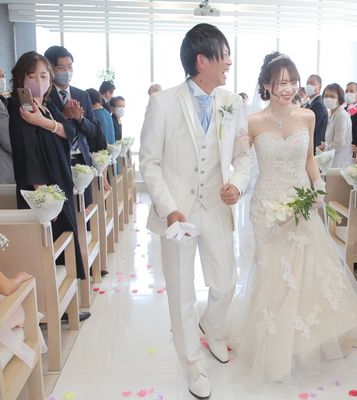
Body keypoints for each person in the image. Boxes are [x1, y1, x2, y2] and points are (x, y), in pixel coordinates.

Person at [232, 51, 357, 388]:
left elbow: (309, 159)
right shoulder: (252, 122)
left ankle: (304, 342)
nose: (289, 88)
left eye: (293, 82)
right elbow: (242, 162)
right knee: (272, 274)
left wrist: (319, 187)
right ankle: (275, 350)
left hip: (301, 204)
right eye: (281, 83)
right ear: (266, 85)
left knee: (303, 272)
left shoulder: (307, 116)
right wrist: (234, 181)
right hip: (266, 205)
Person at [138, 23, 253, 399]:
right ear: (202, 60)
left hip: (216, 207)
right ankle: (193, 364)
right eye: (225, 55)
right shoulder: (163, 102)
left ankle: (212, 329)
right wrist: (169, 208)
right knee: (181, 293)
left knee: (225, 282)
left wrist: (237, 184)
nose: (229, 62)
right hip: (178, 216)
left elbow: (243, 156)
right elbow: (149, 162)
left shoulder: (232, 103)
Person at [7, 51, 90, 322]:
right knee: (48, 247)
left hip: (59, 182)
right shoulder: (19, 110)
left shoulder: (47, 106)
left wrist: (43, 122)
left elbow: (70, 132)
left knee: (65, 241)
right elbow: (26, 154)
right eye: (32, 76)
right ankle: (54, 308)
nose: (39, 81)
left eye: (44, 76)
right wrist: (43, 196)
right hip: (42, 191)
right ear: (21, 79)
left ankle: (65, 305)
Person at [316, 83, 352, 167]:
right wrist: (324, 145)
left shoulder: (341, 115)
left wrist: (325, 148)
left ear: (339, 99)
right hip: (332, 159)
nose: (328, 98)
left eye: (332, 96)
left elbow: (339, 142)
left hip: (340, 162)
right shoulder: (331, 114)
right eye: (326, 96)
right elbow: (331, 139)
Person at [304, 74, 328, 152]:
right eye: (307, 84)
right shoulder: (309, 104)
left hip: (315, 146)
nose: (309, 86)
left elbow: (311, 127)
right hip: (309, 144)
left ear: (320, 87)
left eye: (312, 84)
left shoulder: (318, 105)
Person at [345, 81, 357, 154]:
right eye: (346, 91)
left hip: (356, 150)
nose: (348, 94)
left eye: (351, 91)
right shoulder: (343, 110)